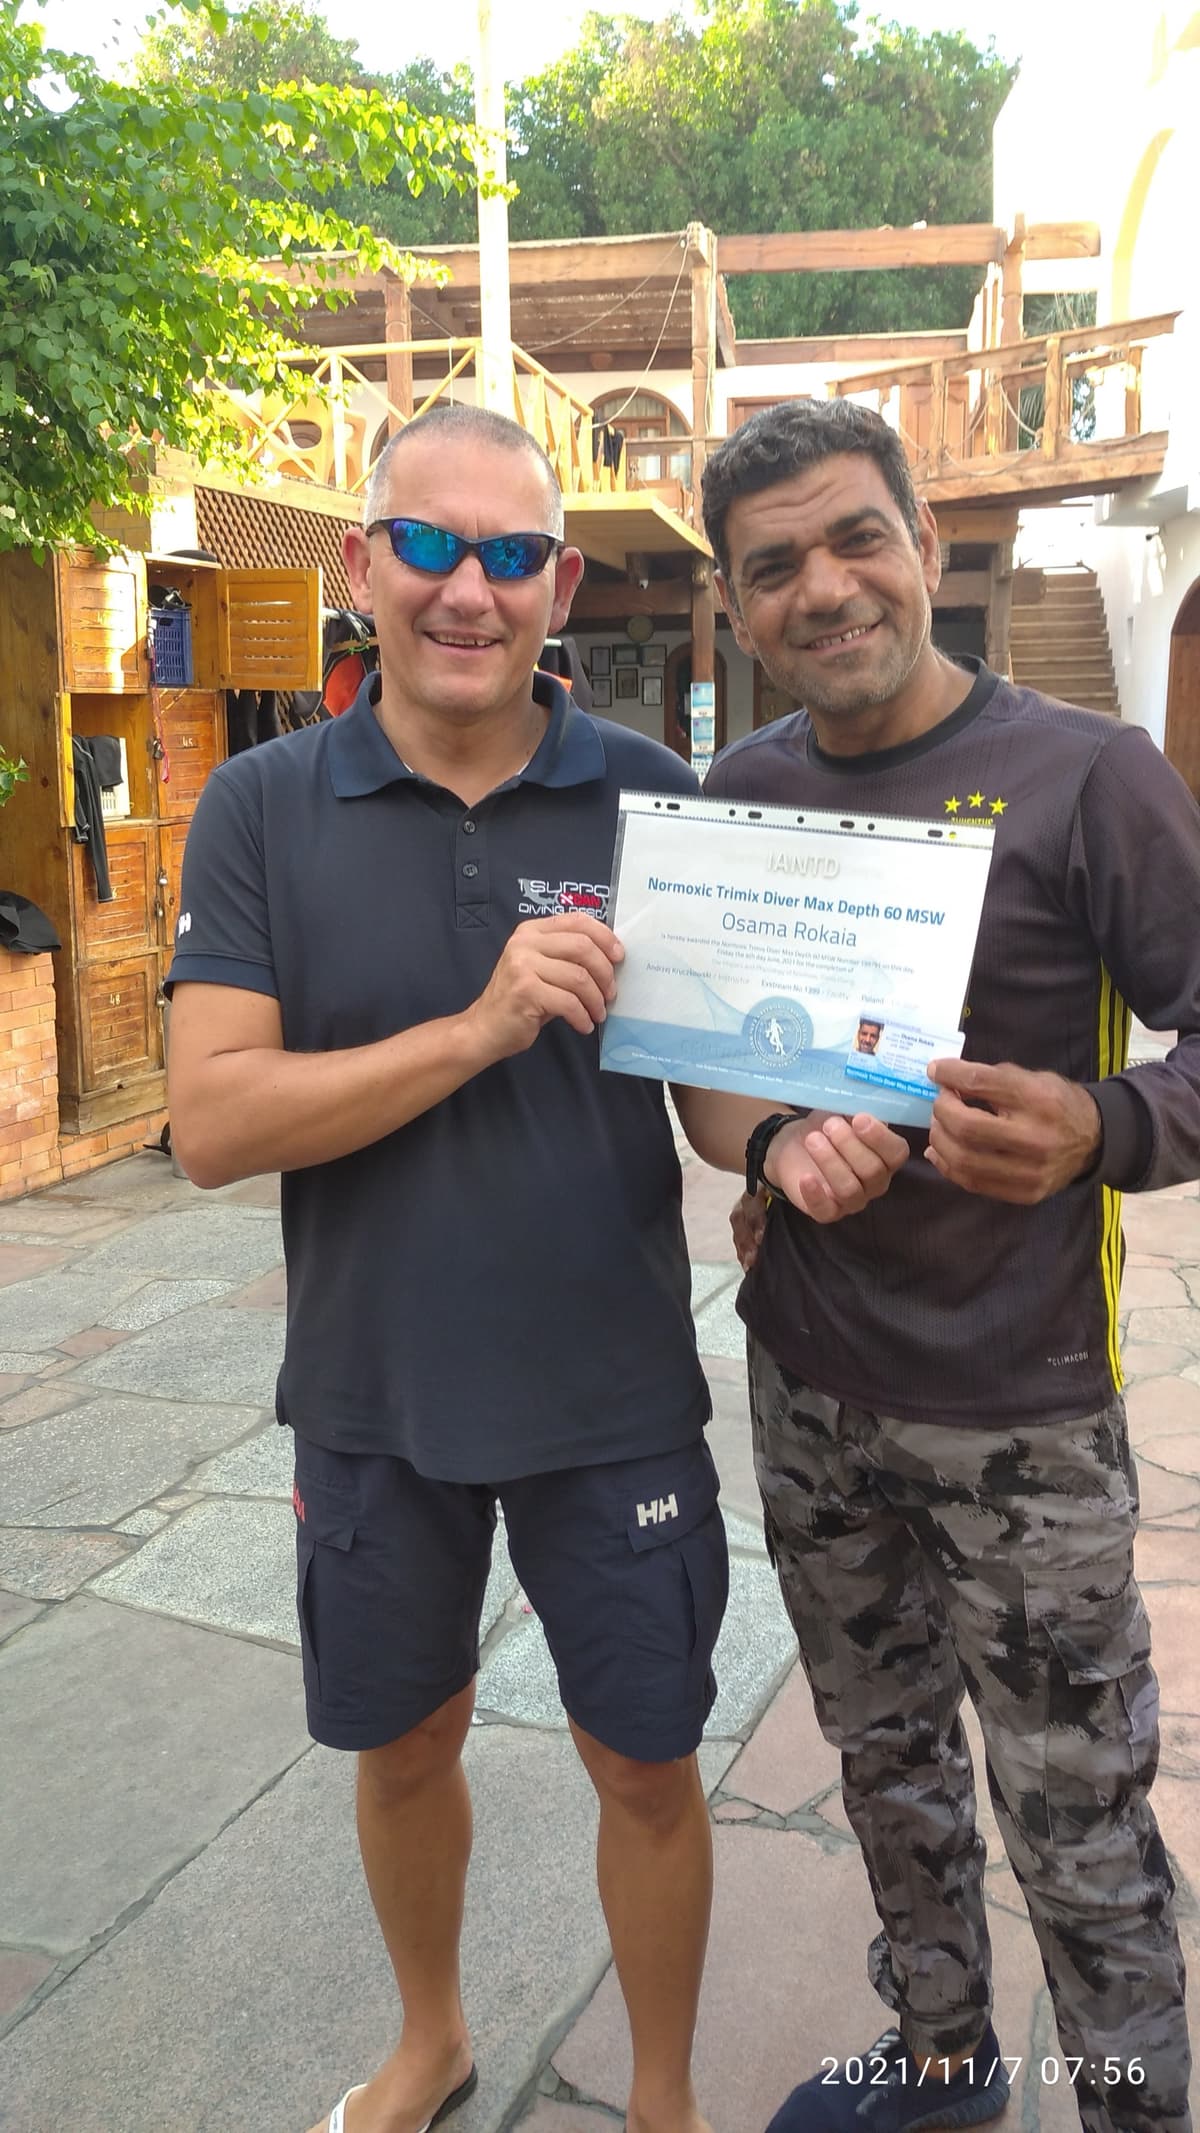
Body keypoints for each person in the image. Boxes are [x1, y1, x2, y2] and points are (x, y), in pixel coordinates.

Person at [164, 401, 905, 2133]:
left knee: (646, 1758)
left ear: (561, 582)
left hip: (608, 1387)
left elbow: (714, 1095)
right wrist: (481, 1023)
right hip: (375, 1386)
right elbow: (211, 1120)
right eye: (429, 545)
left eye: (509, 555)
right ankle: (432, 2035)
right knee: (402, 1741)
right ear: (364, 564)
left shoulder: (653, 793)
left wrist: (787, 1147)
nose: (468, 590)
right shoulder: (263, 808)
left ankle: (660, 2095)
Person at [677, 396, 1198, 2133]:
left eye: (855, 538)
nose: (824, 588)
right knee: (888, 1768)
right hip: (813, 1391)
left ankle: (1132, 2102)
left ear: (925, 543)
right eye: (775, 568)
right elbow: (705, 1067)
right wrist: (764, 1141)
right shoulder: (741, 797)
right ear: (736, 608)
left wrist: (1101, 1126)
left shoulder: (1091, 777)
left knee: (1080, 1820)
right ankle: (944, 2065)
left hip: (1023, 1413)